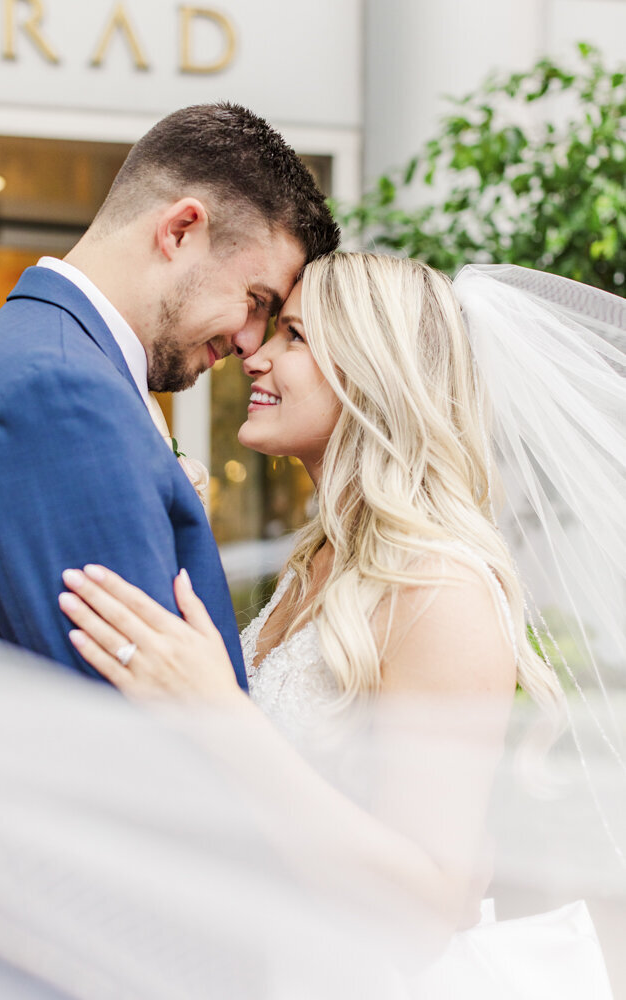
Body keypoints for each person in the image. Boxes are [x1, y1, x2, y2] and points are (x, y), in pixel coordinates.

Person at [55, 252, 623, 995]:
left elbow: (428, 909)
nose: (253, 357)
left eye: (293, 336)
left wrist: (217, 715)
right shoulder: (320, 561)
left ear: (370, 371)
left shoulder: (437, 587)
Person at [0, 102, 340, 686]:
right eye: (257, 301)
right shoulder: (61, 393)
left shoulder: (45, 359)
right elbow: (126, 728)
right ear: (181, 230)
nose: (247, 343)